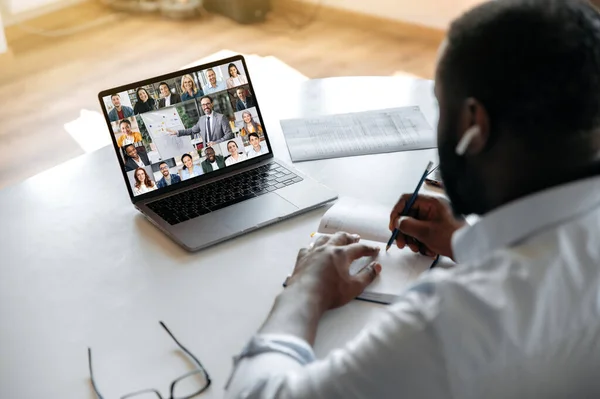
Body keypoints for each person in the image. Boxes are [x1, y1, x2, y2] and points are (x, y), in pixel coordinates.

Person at [225, 1, 600, 397]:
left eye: (441, 105)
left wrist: (305, 289)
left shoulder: (451, 324)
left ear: (474, 125)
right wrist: (463, 241)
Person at [167, 96, 233, 147]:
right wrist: (177, 132)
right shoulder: (201, 119)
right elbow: (192, 131)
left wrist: (216, 143)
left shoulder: (221, 117)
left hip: (220, 147)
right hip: (207, 149)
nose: (206, 107)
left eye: (207, 104)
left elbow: (229, 134)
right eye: (203, 105)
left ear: (212, 104)